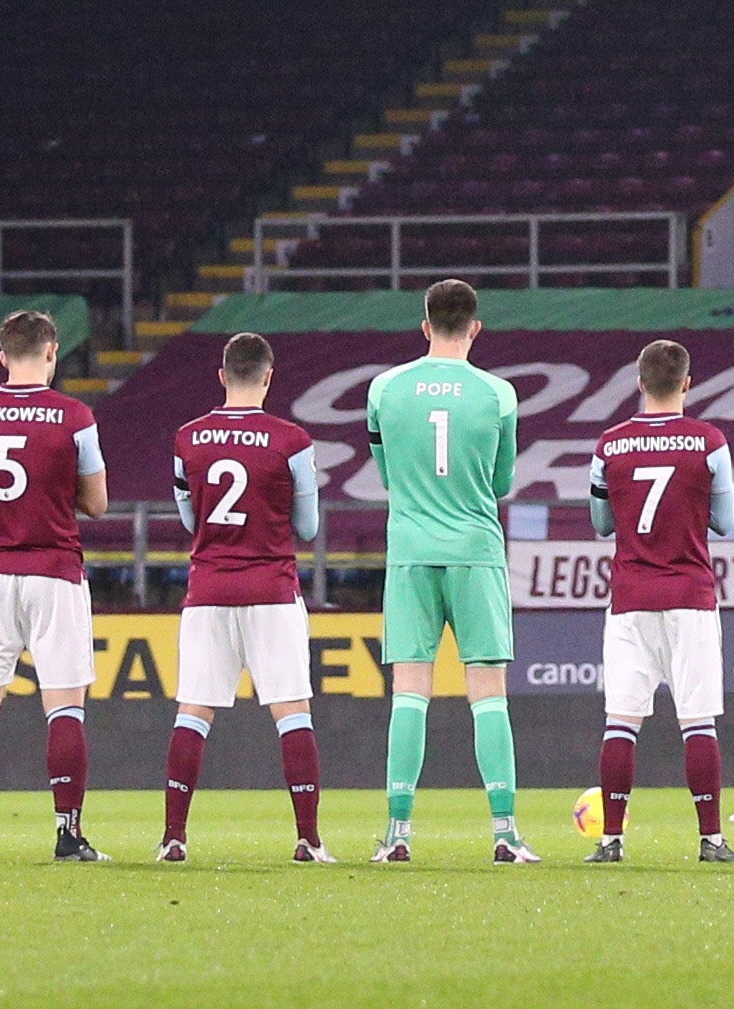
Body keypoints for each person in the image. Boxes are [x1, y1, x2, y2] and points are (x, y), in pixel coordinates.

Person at [367, 277, 532, 864]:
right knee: (487, 694)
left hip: (410, 550)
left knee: (410, 691)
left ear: (424, 324)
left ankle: (398, 833)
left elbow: (387, 474)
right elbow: (503, 482)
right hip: (475, 550)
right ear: (476, 328)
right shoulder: (499, 394)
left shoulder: (384, 389)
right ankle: (505, 832)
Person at [0, 305, 105, 863]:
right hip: (55, 570)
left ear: (2, 356)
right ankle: (68, 833)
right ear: (53, 352)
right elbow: (98, 503)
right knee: (64, 708)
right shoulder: (74, 416)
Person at [162, 330, 330, 864]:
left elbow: (191, 520)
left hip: (208, 588)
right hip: (272, 590)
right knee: (292, 713)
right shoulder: (293, 442)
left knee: (193, 711)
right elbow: (307, 527)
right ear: (268, 377)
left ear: (222, 376)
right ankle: (308, 838)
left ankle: (173, 838)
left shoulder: (187, 438)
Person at [590, 336, 734, 863]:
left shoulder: (609, 444)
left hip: (630, 595)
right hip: (690, 594)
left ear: (638, 383)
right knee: (697, 720)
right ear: (687, 383)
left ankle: (611, 840)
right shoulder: (709, 441)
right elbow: (727, 523)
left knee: (621, 721)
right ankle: (711, 840)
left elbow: (601, 523)